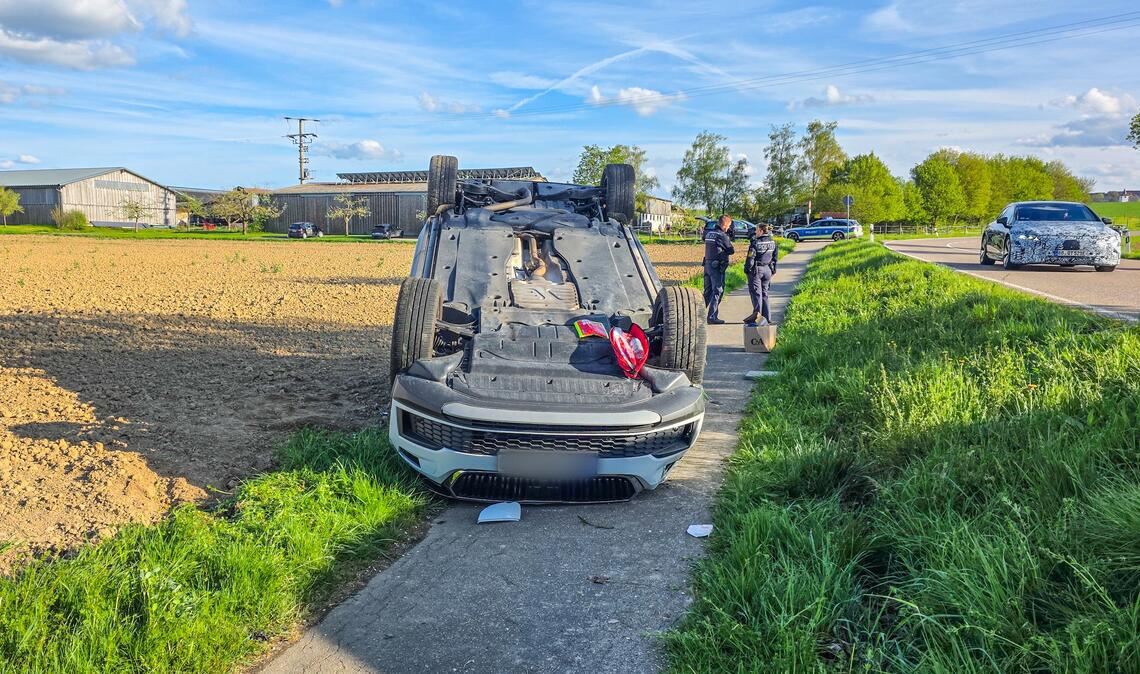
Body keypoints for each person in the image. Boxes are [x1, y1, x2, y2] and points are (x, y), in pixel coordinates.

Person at [702, 214, 734, 324]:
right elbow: (731, 250)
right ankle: (712, 316)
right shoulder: (722, 235)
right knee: (718, 291)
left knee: (707, 292)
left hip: (707, 265)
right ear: (724, 224)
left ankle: (697, 315)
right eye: (728, 225)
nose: (729, 228)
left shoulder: (709, 233)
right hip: (717, 267)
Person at [743, 223, 778, 325]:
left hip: (757, 270)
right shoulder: (773, 242)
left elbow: (750, 258)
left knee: (756, 294)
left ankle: (757, 318)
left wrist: (747, 269)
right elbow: (775, 257)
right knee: (765, 294)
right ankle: (767, 317)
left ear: (761, 231)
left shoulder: (755, 242)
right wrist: (773, 270)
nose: (755, 232)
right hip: (767, 269)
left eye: (757, 230)